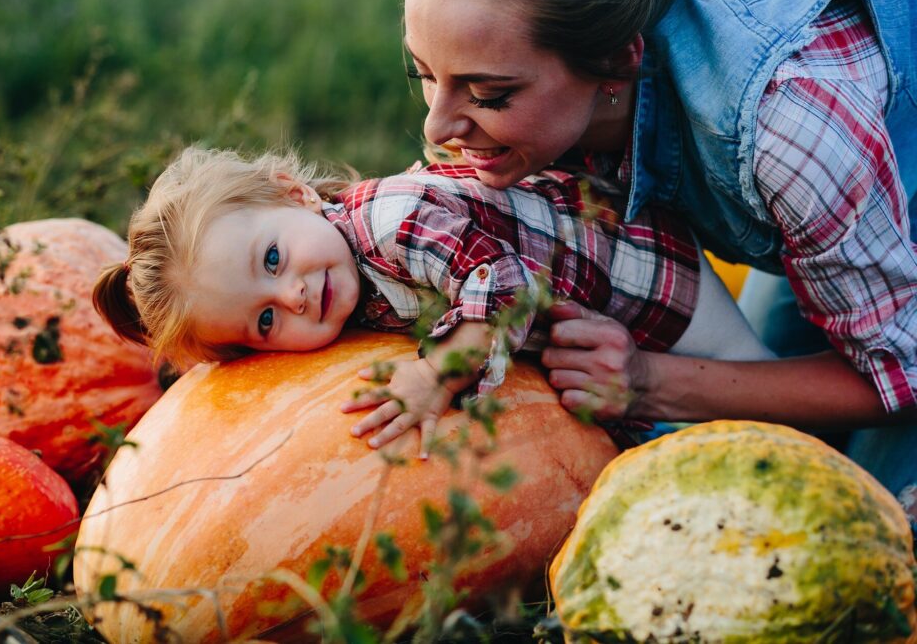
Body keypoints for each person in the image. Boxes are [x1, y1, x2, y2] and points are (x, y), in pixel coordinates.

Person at [399, 0, 916, 518]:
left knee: (865, 515)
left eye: (490, 95)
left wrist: (647, 382)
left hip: (854, 170)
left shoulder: (787, 123)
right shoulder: (539, 82)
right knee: (764, 452)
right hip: (836, 207)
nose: (436, 127)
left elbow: (904, 374)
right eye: (424, 74)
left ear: (617, 63)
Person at [93, 146, 771, 458]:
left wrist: (433, 373)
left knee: (751, 389)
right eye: (264, 319)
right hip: (595, 332)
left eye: (272, 259)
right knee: (689, 444)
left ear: (292, 194)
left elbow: (501, 287)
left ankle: (828, 439)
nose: (293, 294)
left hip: (646, 281)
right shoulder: (340, 274)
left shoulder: (394, 220)